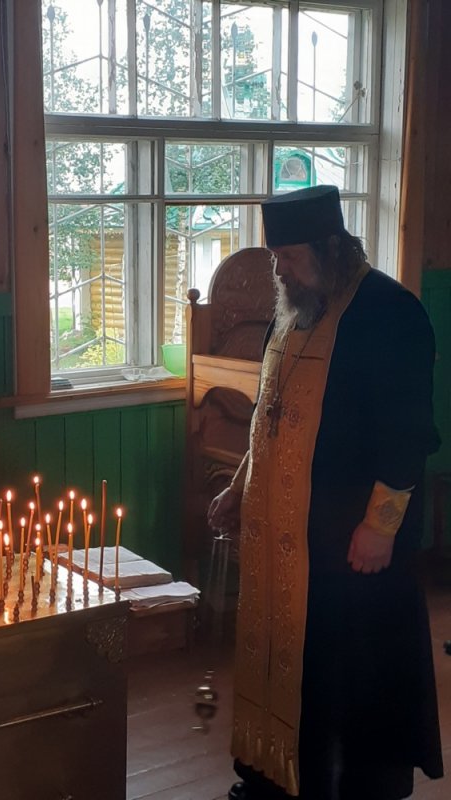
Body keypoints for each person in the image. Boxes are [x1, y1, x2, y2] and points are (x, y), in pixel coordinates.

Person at [207, 185, 443, 800]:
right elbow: (269, 414)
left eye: (288, 257)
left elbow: (408, 434)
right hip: (284, 540)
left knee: (351, 677)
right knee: (286, 662)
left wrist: (380, 527)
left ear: (330, 247)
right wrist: (240, 488)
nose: (279, 271)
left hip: (349, 542)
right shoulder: (294, 308)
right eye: (275, 258)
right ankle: (270, 779)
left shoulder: (390, 312)